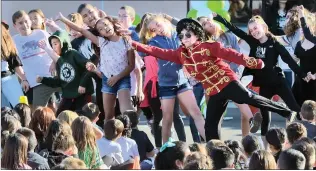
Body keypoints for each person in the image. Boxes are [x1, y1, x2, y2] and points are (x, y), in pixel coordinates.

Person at [130, 17, 298, 141]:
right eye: (181, 36)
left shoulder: (209, 46)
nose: (184, 39)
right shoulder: (181, 54)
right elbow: (158, 51)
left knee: (249, 97)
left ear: (196, 34)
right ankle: (219, 156)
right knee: (210, 127)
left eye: (188, 35)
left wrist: (255, 63)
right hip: (213, 90)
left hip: (226, 81)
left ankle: (285, 111)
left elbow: (233, 54)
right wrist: (134, 43)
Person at [214, 13, 310, 146]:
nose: (254, 32)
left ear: (264, 27)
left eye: (256, 28)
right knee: (265, 118)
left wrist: (302, 74)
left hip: (278, 82)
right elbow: (235, 29)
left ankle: (305, 140)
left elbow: (288, 59)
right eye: (251, 30)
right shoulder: (252, 41)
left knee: (295, 109)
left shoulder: (274, 43)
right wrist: (218, 17)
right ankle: (265, 149)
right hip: (264, 85)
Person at [57, 13, 135, 121]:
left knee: (126, 110)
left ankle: (131, 132)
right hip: (107, 80)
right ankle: (110, 135)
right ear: (100, 34)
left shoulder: (126, 40)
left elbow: (131, 65)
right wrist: (63, 19)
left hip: (122, 78)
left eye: (106, 25)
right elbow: (82, 30)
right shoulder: (101, 42)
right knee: (108, 114)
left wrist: (117, 78)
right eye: (101, 29)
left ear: (112, 24)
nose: (105, 29)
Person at [197, 15, 259, 136]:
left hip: (230, 76)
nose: (208, 24)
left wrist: (230, 71)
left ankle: (252, 120)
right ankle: (212, 137)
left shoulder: (229, 36)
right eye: (203, 24)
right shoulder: (204, 43)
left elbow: (237, 55)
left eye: (208, 21)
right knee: (215, 113)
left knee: (239, 98)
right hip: (213, 81)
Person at [140, 14, 197, 143]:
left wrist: (171, 18)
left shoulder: (175, 37)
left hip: (175, 81)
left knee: (176, 115)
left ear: (164, 21)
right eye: (152, 29)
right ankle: (160, 147)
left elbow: (186, 26)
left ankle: (183, 143)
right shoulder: (151, 42)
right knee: (159, 117)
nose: (157, 29)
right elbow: (141, 48)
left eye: (158, 24)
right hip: (155, 84)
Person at [36, 30, 94, 115]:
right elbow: (60, 81)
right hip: (68, 95)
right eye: (52, 45)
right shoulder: (59, 60)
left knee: (83, 118)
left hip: (82, 94)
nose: (53, 47)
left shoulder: (73, 53)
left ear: (63, 42)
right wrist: (43, 80)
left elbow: (89, 67)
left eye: (56, 44)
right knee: (60, 116)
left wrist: (83, 84)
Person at [12, 10, 59, 111]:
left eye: (26, 21)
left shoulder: (42, 34)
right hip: (32, 82)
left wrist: (54, 63)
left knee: (53, 108)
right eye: (20, 23)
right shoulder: (14, 41)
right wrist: (23, 79)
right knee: (36, 111)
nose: (24, 25)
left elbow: (55, 50)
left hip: (49, 77)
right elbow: (15, 64)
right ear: (15, 26)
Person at [28, 9, 59, 113]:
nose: (32, 21)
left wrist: (54, 63)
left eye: (35, 18)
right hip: (37, 79)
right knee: (39, 109)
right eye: (30, 19)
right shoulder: (25, 38)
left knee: (53, 106)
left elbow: (58, 51)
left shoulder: (48, 34)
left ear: (43, 19)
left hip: (52, 75)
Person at [1, 21, 28, 108]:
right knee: (18, 108)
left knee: (21, 107)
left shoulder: (7, 44)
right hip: (8, 79)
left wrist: (24, 79)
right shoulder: (8, 44)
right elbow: (16, 64)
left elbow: (15, 63)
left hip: (8, 78)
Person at [292, 6, 316, 105]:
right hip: (301, 83)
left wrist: (314, 76)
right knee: (295, 111)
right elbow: (294, 61)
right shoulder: (299, 44)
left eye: (305, 25)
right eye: (300, 26)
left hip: (314, 84)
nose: (302, 28)